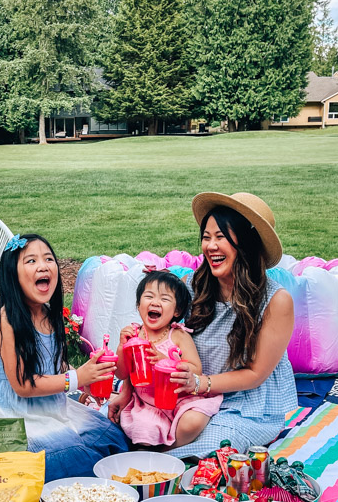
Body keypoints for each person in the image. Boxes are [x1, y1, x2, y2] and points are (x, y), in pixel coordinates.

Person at [119, 192, 297, 457]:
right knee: (116, 423)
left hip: (244, 407)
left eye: (220, 237)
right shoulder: (193, 287)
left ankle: (149, 458)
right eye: (206, 237)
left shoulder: (276, 301)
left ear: (246, 243)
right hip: (184, 399)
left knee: (211, 450)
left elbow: (256, 374)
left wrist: (200, 383)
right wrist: (126, 391)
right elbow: (155, 337)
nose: (210, 246)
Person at [0, 232, 129, 479]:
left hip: (54, 407)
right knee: (83, 463)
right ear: (13, 275)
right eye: (30, 261)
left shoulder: (49, 314)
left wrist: (86, 382)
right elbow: (22, 385)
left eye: (48, 259)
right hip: (21, 418)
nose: (42, 266)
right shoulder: (8, 320)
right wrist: (75, 378)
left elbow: (57, 364)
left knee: (116, 442)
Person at [111, 270, 223, 448]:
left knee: (193, 421)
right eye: (149, 296)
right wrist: (121, 347)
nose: (155, 302)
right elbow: (122, 373)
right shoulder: (134, 335)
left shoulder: (177, 335)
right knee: (143, 431)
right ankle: (150, 448)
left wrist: (167, 361)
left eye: (164, 299)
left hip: (179, 399)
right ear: (138, 304)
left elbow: (196, 369)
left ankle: (168, 449)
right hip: (148, 402)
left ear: (177, 310)